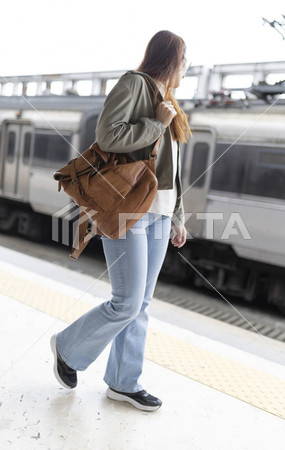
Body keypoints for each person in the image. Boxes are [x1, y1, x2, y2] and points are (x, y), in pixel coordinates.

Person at [50, 30, 192, 412]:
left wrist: (178, 216)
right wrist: (157, 124)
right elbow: (108, 135)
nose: (188, 64)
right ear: (171, 57)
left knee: (141, 303)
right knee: (126, 302)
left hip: (160, 212)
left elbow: (173, 168)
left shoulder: (169, 100)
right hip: (129, 206)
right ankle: (67, 347)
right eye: (185, 56)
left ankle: (124, 383)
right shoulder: (135, 84)